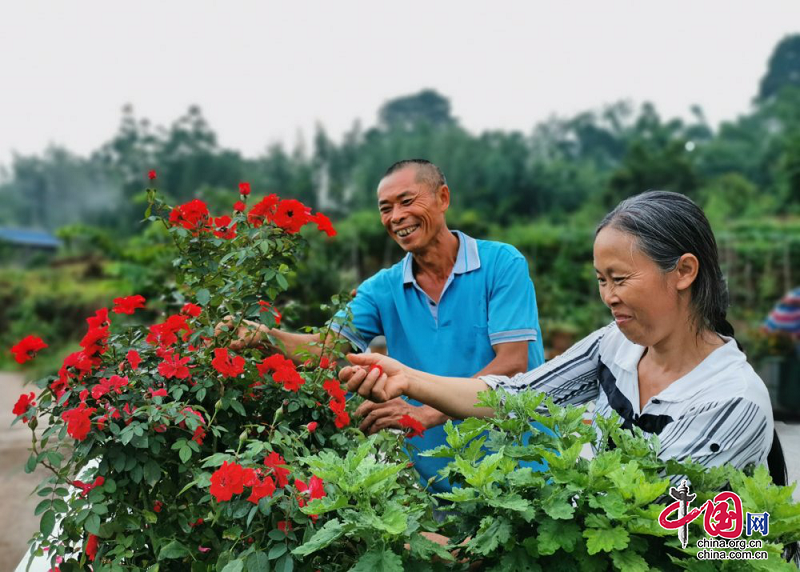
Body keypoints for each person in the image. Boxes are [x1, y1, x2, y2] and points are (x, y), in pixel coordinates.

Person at [341, 190, 777, 474]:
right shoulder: (614, 346)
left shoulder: (730, 400)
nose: (608, 296)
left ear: (683, 271)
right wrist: (408, 378)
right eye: (600, 280)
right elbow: (517, 397)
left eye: (620, 279)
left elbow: (652, 516)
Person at [222, 159, 546, 492]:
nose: (396, 217)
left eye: (407, 201)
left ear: (443, 198)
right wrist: (265, 337)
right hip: (442, 483)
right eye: (385, 208)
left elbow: (511, 365)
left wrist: (426, 413)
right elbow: (325, 348)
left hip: (519, 466)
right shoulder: (382, 289)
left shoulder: (501, 264)